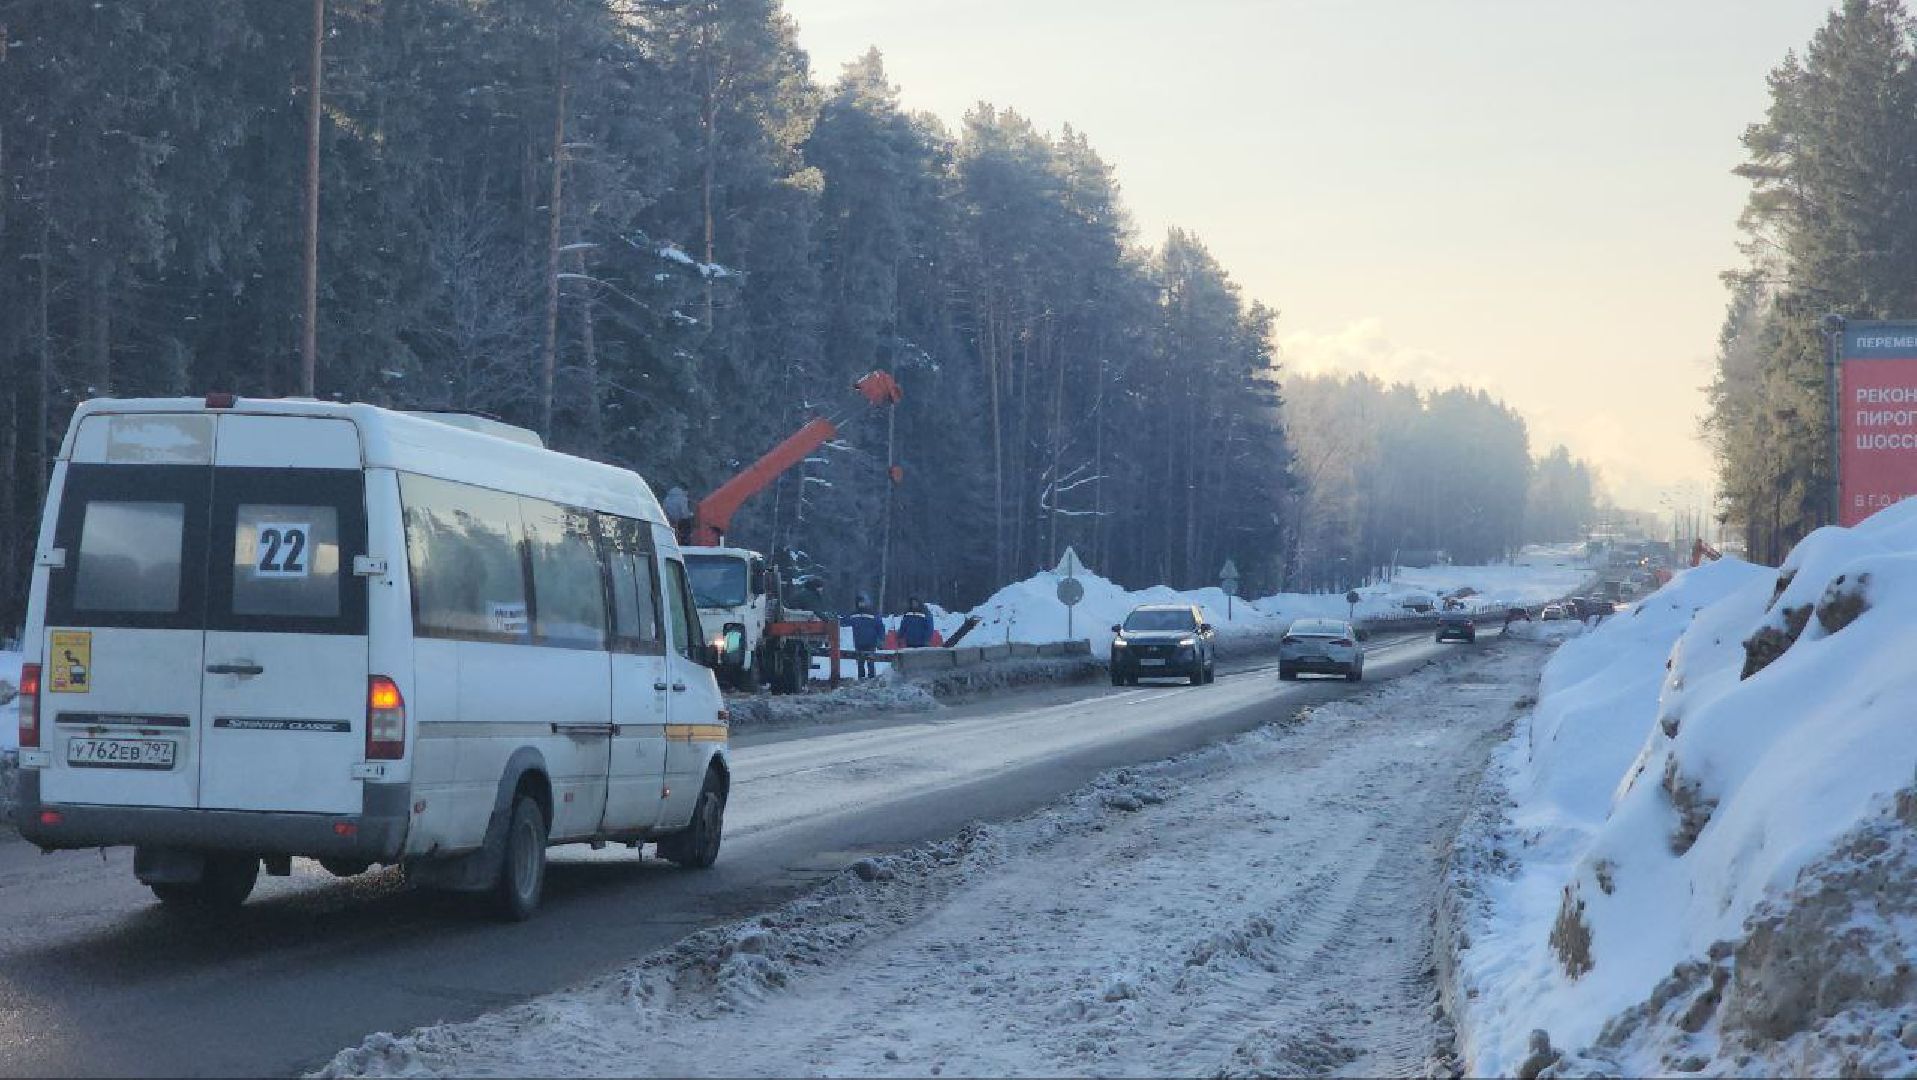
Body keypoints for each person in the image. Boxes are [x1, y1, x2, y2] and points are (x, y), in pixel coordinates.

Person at [846, 596, 884, 680]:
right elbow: (845, 621)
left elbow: (880, 626)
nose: (861, 604)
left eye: (863, 602)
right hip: (858, 643)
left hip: (871, 643)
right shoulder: (853, 615)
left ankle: (872, 679)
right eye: (860, 602)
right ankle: (861, 679)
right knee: (860, 663)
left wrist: (881, 639)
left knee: (870, 663)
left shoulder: (872, 614)